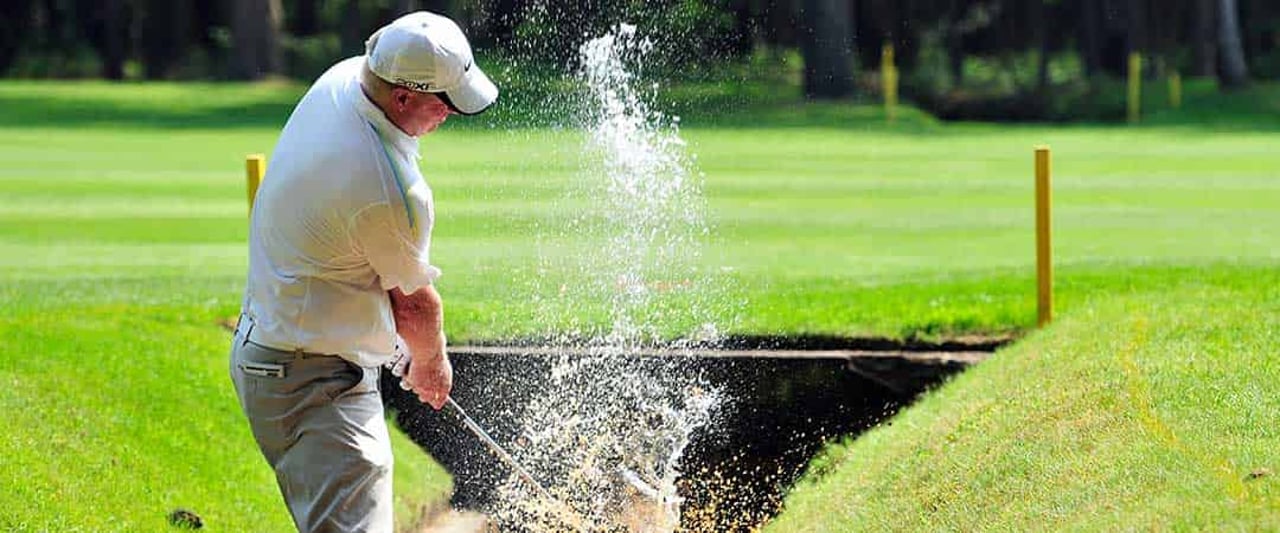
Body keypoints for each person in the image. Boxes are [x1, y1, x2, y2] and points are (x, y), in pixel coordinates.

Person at [228, 11, 497, 532]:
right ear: (402, 98)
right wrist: (431, 365)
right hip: (312, 385)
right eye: (444, 103)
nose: (450, 115)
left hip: (285, 356)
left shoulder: (348, 76)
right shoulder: (389, 190)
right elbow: (415, 304)